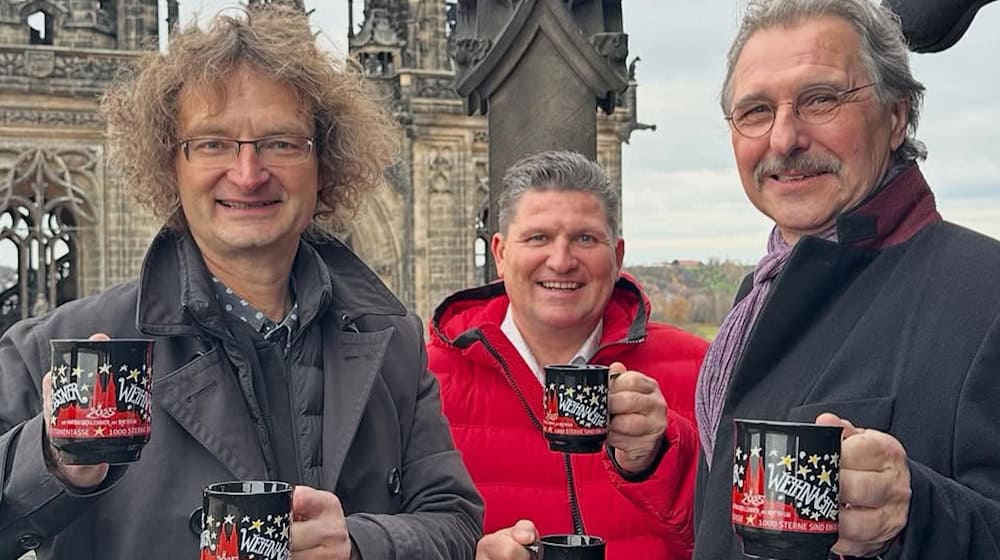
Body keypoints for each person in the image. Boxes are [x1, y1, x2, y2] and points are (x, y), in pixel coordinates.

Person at [0, 6, 482, 559]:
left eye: (282, 142)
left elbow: (455, 523)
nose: (249, 174)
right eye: (212, 143)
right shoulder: (65, 347)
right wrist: (54, 463)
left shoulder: (391, 339)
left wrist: (360, 545)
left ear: (323, 164)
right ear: (169, 166)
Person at [694, 0, 1000, 558]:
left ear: (897, 116)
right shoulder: (753, 302)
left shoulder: (987, 293)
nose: (784, 139)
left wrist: (912, 514)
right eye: (756, 111)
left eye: (821, 99)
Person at [427, 150, 708, 559]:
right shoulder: (423, 380)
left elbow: (739, 540)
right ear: (501, 255)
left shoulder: (704, 368)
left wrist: (659, 458)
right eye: (538, 237)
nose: (561, 261)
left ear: (618, 256)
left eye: (585, 239)